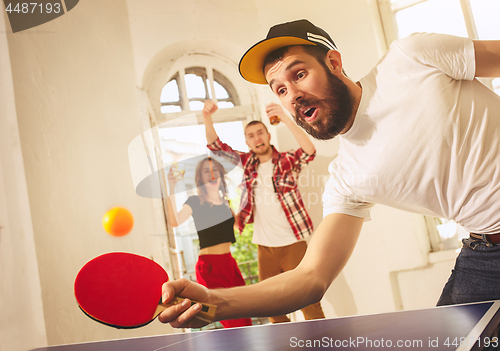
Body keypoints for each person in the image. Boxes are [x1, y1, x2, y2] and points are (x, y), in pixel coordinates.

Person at [158, 19, 500, 329]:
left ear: (334, 63)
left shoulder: (411, 58)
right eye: (280, 89)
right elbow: (310, 278)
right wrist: (215, 301)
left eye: (299, 74)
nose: (292, 95)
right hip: (486, 250)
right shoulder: (346, 177)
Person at [200, 99, 325, 323]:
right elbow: (217, 147)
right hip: (265, 247)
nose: (257, 138)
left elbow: (309, 151)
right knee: (272, 309)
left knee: (310, 304)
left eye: (260, 133)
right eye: (251, 135)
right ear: (247, 142)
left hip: (293, 244)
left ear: (268, 136)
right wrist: (207, 118)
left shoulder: (286, 161)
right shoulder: (247, 163)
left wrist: (286, 118)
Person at [166, 156, 252, 328]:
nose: (212, 173)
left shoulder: (226, 203)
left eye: (215, 170)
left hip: (229, 264)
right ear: (201, 178)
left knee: (245, 316)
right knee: (232, 321)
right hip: (210, 267)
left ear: (220, 175)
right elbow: (175, 221)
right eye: (206, 171)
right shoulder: (195, 202)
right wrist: (171, 187)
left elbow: (240, 224)